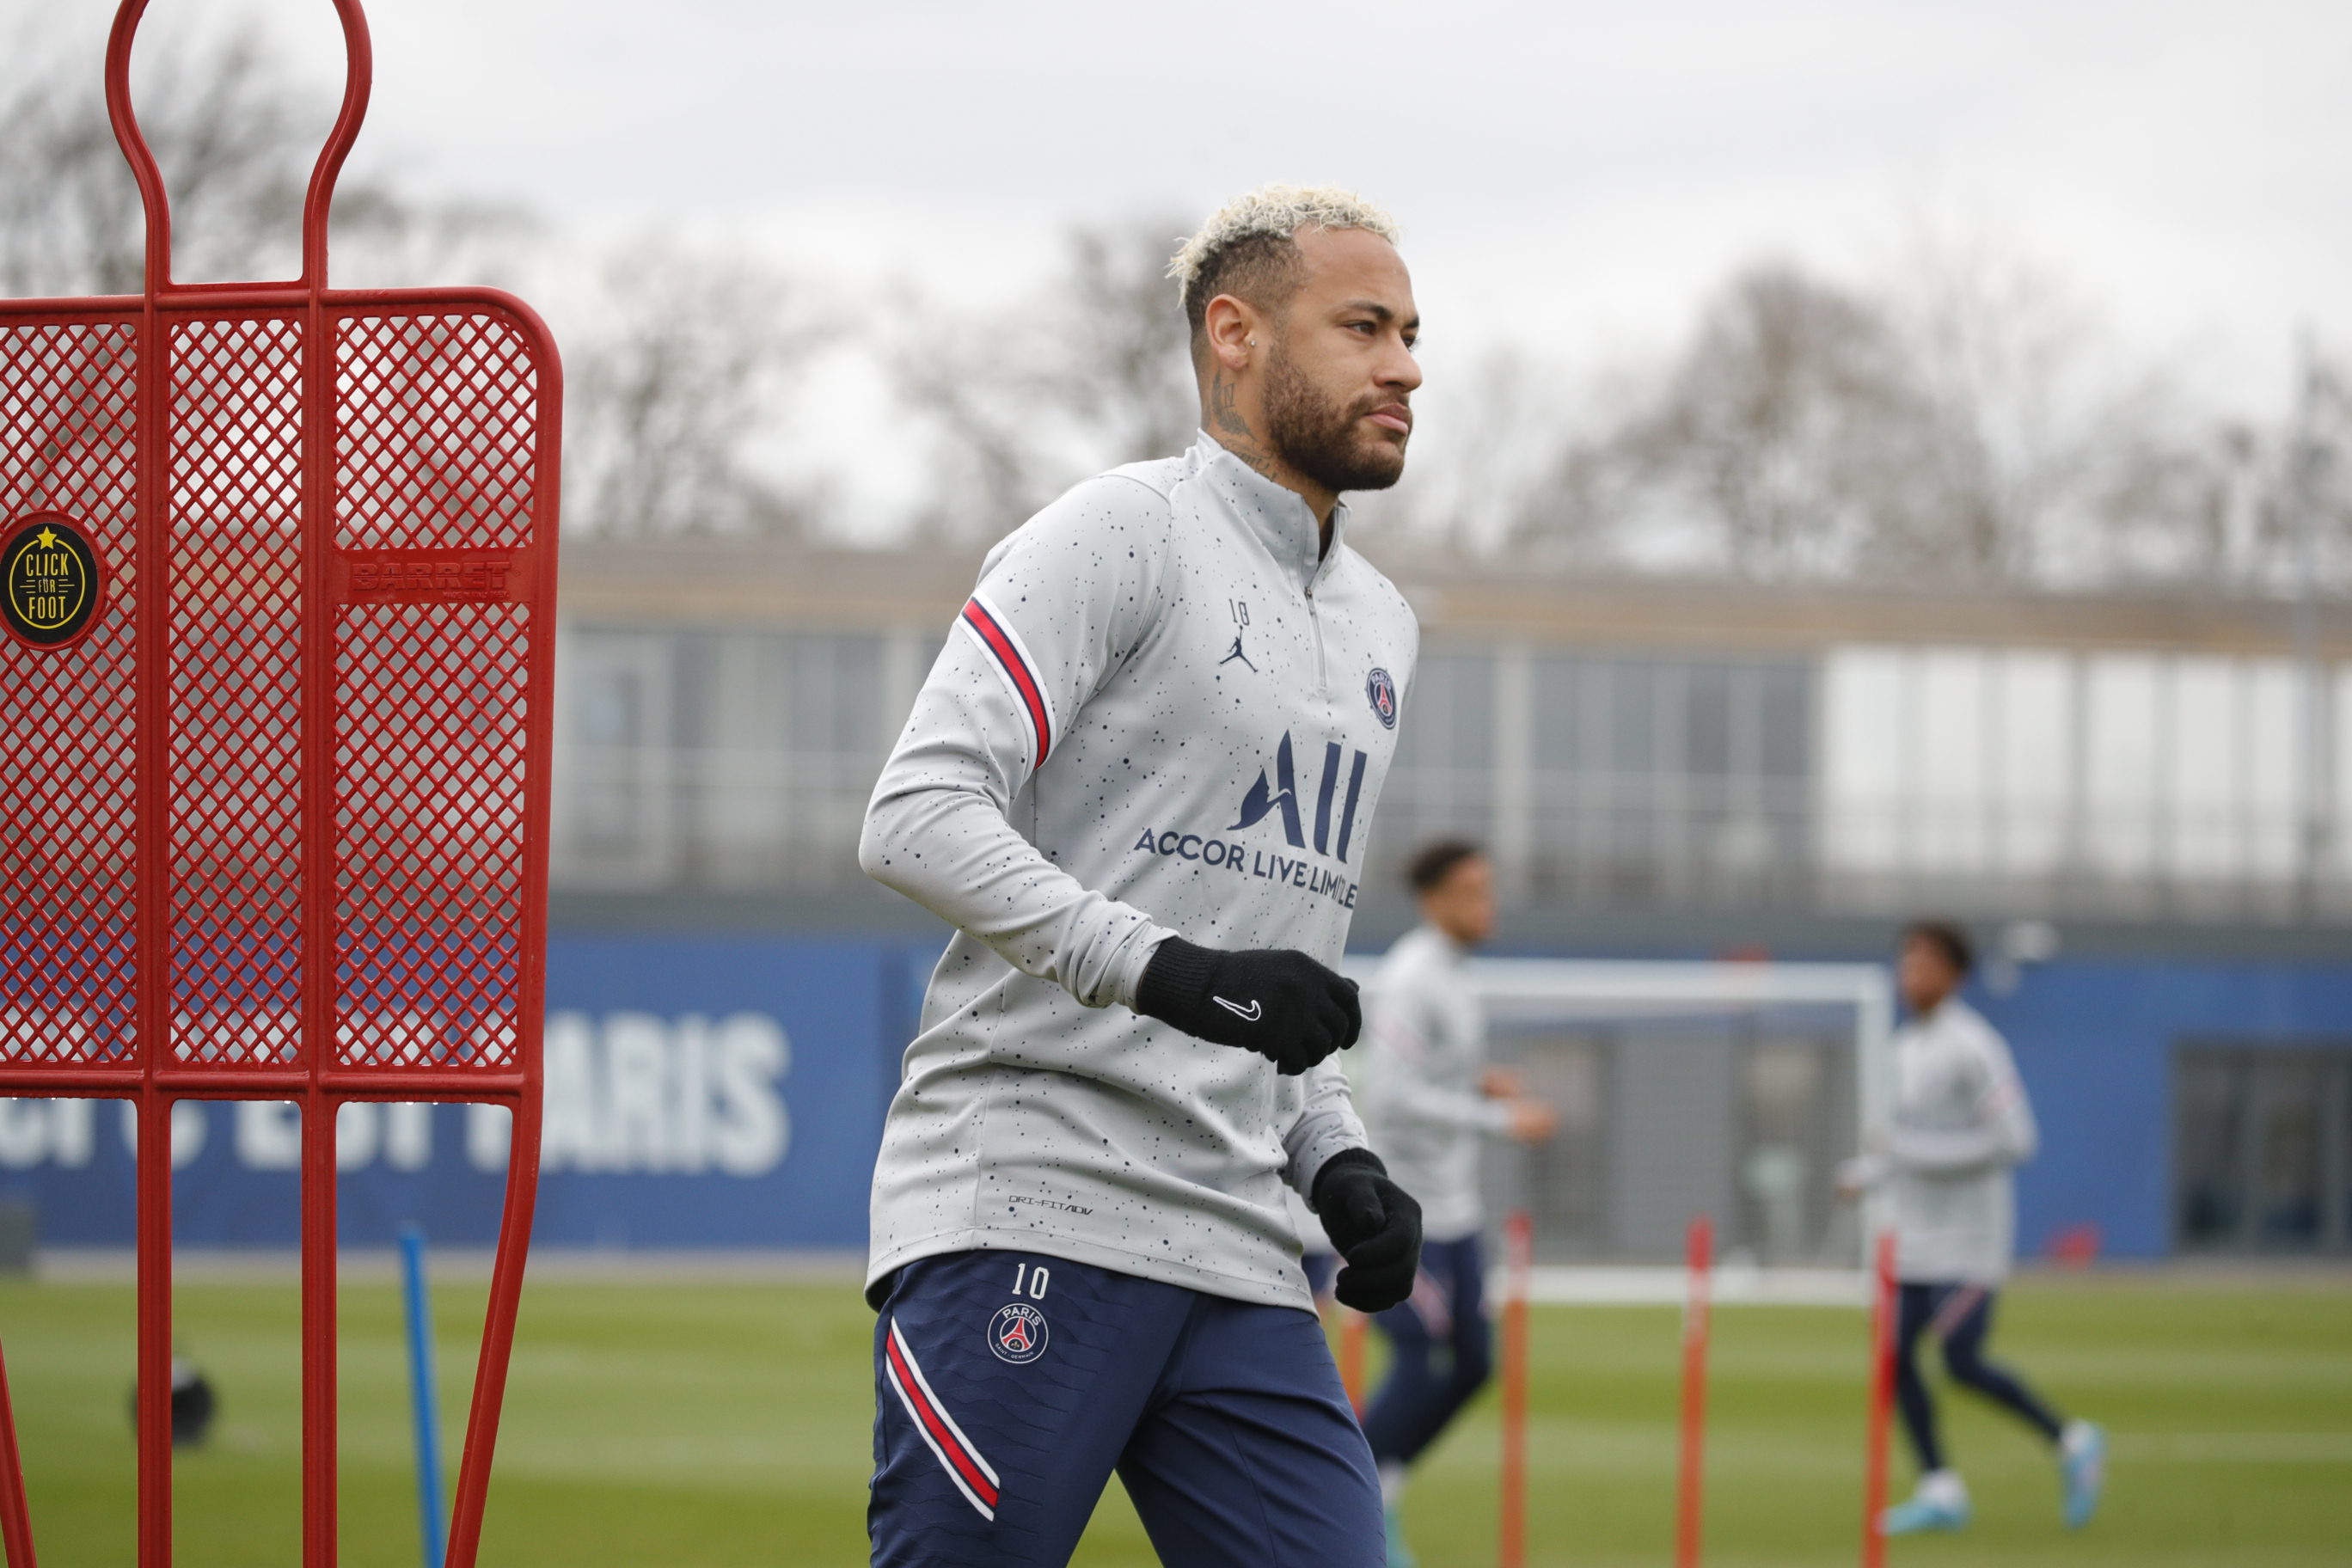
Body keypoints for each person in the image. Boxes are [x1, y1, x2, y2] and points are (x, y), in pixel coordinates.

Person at [857, 184, 1427, 1568]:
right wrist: (1178, 977)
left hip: (1241, 1249)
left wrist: (1335, 1153)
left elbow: (1273, 966)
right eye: (1363, 326)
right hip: (1033, 1198)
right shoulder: (1117, 531)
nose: (1406, 365)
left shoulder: (1382, 625)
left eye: (1413, 332)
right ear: (1234, 334)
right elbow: (915, 812)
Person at [1839, 922, 2106, 1536]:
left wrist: (1908, 1154)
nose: (1912, 977)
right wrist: (1866, 1173)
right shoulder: (1902, 1048)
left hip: (1970, 1243)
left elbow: (2017, 1141)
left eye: (1925, 965)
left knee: (1961, 1361)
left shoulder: (1974, 1046)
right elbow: (1898, 1150)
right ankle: (1941, 1488)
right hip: (1913, 1239)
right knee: (1892, 1352)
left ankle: (2072, 1441)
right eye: (1905, 964)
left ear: (1954, 974)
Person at [1354, 841, 1556, 1565]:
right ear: (1433, 899)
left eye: (1488, 889)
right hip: (1404, 1211)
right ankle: (1354, 1502)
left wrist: (1482, 1082)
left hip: (1456, 1210)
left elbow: (1437, 1075)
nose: (1487, 904)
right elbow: (1395, 1095)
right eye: (1472, 891)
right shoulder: (1412, 977)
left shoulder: (1458, 976)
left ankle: (1383, 1481)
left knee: (1475, 1365)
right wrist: (1501, 1120)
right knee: (1415, 1358)